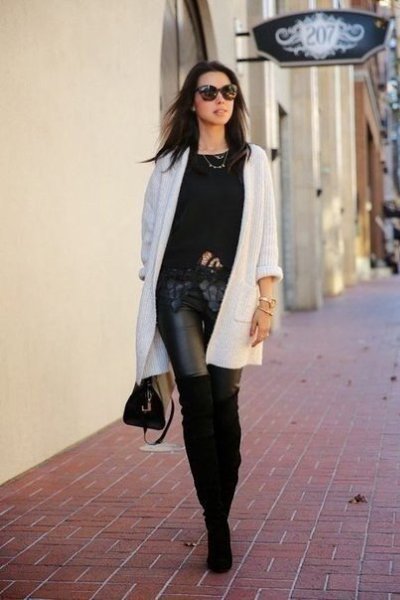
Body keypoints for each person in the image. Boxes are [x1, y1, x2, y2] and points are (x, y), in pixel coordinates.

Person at [135, 60, 283, 573]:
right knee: (197, 404)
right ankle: (216, 524)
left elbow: (267, 238)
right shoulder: (170, 164)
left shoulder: (253, 161)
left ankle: (220, 508)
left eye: (228, 91)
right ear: (192, 101)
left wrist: (266, 302)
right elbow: (150, 236)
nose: (220, 99)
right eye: (209, 91)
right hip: (177, 291)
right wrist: (153, 283)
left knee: (224, 406)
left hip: (233, 296)